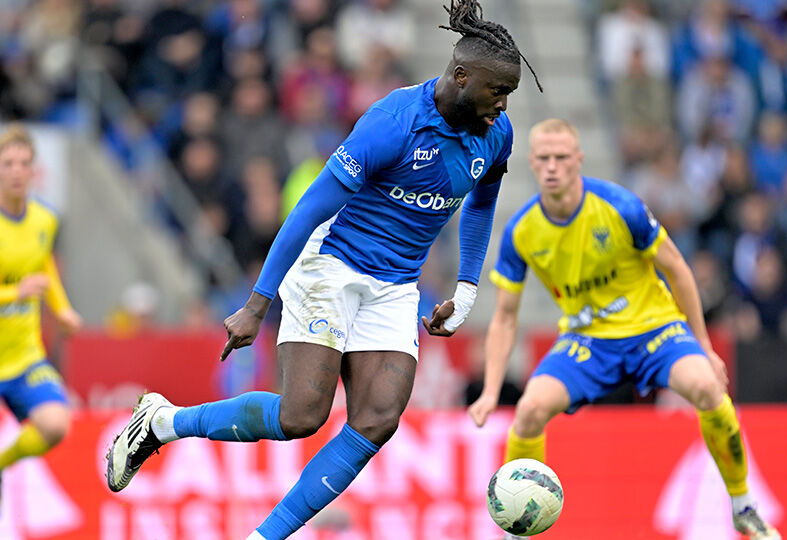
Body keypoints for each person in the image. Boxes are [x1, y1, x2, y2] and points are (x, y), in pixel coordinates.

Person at [105, 2, 540, 539]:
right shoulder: (391, 122)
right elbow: (309, 208)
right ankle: (163, 422)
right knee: (301, 417)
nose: (502, 106)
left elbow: (480, 203)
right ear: (461, 76)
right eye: (498, 91)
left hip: (398, 283)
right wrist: (257, 303)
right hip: (332, 263)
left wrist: (468, 287)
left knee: (378, 419)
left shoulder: (495, 134)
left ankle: (263, 536)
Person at [468, 119, 780, 539]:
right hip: (588, 340)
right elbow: (505, 316)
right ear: (532, 163)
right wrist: (490, 390)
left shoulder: (620, 206)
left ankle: (743, 506)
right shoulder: (522, 231)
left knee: (708, 388)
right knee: (528, 411)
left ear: (579, 160)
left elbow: (678, 269)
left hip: (654, 330)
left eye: (562, 157)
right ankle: (515, 532)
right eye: (544, 158)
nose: (553, 166)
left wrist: (703, 345)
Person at [0, 124, 82, 500]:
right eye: (8, 163)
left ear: (34, 171)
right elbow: (27, 281)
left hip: (24, 356)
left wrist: (62, 309)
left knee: (55, 424)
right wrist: (16, 290)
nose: (17, 171)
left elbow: (43, 265)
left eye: (24, 163)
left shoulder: (44, 221)